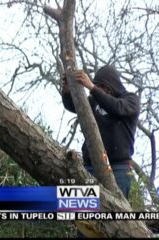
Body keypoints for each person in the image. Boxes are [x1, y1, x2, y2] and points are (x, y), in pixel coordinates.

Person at [61, 65, 140, 198]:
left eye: (104, 88)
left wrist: (92, 88)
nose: (101, 91)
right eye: (98, 87)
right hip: (91, 165)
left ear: (113, 86)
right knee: (86, 210)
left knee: (115, 212)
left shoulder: (130, 100)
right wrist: (67, 91)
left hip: (118, 167)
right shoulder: (94, 101)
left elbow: (117, 107)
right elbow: (75, 105)